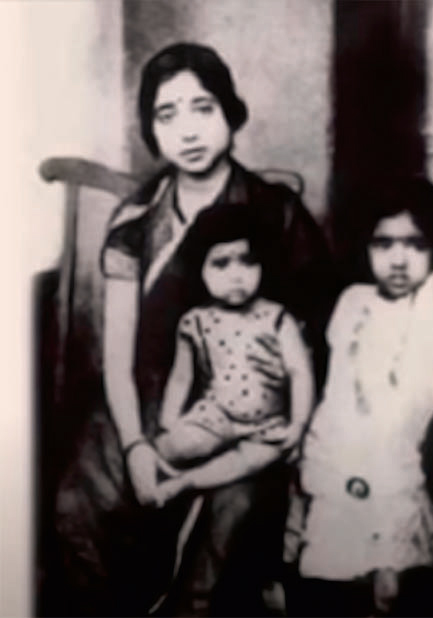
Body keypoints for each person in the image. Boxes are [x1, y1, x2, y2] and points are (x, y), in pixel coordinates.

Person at [51, 42, 335, 616]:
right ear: (152, 131)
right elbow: (118, 355)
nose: (187, 130)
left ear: (230, 112)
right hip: (148, 395)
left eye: (203, 108)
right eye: (167, 114)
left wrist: (285, 423)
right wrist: (135, 445)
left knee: (230, 521)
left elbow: (317, 334)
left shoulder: (275, 212)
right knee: (78, 504)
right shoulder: (135, 221)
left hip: (254, 405)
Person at [283, 179, 433, 617]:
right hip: (341, 447)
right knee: (331, 561)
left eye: (415, 245)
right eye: (383, 244)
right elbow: (335, 382)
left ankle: (388, 583)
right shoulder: (352, 302)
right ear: (365, 247)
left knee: (397, 569)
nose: (398, 259)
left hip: (399, 453)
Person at [151, 203, 314, 503]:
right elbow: (181, 377)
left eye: (248, 262)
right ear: (200, 270)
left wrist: (299, 425)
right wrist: (169, 422)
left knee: (260, 456)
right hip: (217, 416)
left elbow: (300, 372)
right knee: (180, 445)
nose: (236, 275)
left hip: (267, 424)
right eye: (221, 264)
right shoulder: (195, 321)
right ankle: (161, 467)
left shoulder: (277, 318)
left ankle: (188, 482)